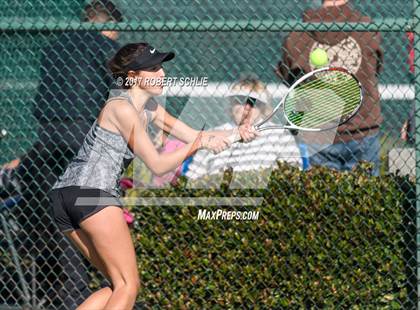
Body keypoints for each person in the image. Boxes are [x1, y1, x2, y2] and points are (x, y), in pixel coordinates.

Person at [48, 42, 256, 309]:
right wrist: (197, 145)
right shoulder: (120, 108)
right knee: (128, 285)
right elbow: (158, 164)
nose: (162, 74)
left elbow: (195, 136)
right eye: (153, 68)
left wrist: (238, 134)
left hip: (65, 197)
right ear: (133, 76)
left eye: (161, 67)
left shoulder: (151, 108)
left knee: (116, 284)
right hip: (92, 195)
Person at [1, 1, 123, 308]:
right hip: (85, 141)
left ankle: (70, 292)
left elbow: (47, 101)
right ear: (108, 25)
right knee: (86, 214)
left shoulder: (55, 48)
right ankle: (85, 291)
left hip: (49, 143)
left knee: (63, 217)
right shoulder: (104, 47)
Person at [276, 0, 383, 175]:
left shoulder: (298, 34)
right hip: (362, 125)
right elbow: (375, 67)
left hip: (317, 131)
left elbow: (288, 75)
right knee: (367, 196)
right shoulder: (366, 29)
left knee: (322, 198)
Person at [185, 77, 302, 180]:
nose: (246, 107)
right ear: (232, 104)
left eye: (253, 102)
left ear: (263, 107)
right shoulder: (213, 134)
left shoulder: (281, 135)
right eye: (240, 100)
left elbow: (294, 172)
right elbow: (192, 177)